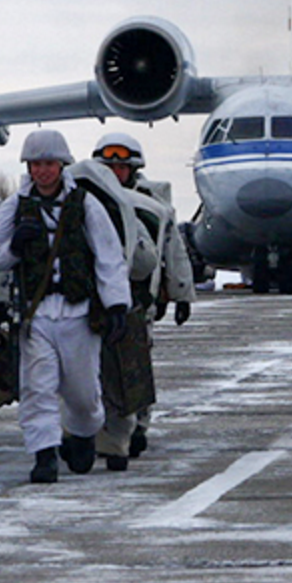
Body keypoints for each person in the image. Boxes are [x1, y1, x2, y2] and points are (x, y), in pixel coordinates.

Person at [0, 129, 130, 484]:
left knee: (82, 392)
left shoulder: (85, 204)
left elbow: (108, 256)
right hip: (36, 314)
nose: (42, 171)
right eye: (35, 164)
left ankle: (82, 432)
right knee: (37, 388)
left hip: (78, 312)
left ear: (61, 165)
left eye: (48, 164)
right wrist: (16, 246)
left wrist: (116, 305)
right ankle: (44, 453)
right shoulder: (14, 206)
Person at [88, 131, 196, 471]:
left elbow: (173, 251)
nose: (116, 171)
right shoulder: (90, 199)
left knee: (136, 366)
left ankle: (138, 426)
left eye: (122, 166)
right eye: (109, 166)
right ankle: (96, 430)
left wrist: (180, 293)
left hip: (141, 298)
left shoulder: (154, 205)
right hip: (96, 297)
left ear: (133, 169)